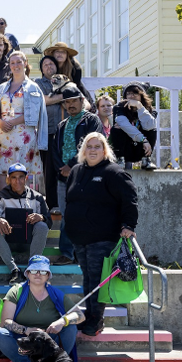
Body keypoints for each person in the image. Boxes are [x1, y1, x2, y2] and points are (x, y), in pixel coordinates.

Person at [62, 131, 138, 337]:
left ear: (105, 150)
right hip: (80, 237)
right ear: (83, 150)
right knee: (87, 279)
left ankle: (96, 320)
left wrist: (129, 225)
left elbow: (130, 199)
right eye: (89, 146)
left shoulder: (113, 172)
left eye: (97, 146)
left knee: (97, 280)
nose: (93, 150)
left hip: (103, 237)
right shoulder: (76, 171)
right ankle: (89, 316)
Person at [0, 254, 84, 362]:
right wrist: (26, 330)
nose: (38, 274)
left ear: (48, 275)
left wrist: (63, 321)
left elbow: (80, 315)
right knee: (0, 334)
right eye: (34, 270)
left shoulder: (55, 293)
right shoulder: (16, 291)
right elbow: (5, 322)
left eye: (42, 271)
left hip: (49, 341)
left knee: (70, 327)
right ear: (28, 273)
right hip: (25, 341)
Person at [52, 85, 105, 263]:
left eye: (74, 100)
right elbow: (55, 151)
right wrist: (62, 169)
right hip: (63, 178)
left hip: (85, 176)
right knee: (67, 216)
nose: (70, 105)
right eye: (67, 102)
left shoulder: (92, 121)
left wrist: (71, 166)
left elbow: (92, 147)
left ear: (82, 101)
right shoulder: (61, 125)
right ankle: (67, 253)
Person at [0, 50, 48, 192]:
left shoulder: (33, 87)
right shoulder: (1, 88)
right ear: (9, 65)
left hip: (25, 138)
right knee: (2, 172)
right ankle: (4, 207)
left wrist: (14, 122)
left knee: (25, 175)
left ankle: (27, 209)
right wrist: (0, 122)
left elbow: (37, 114)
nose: (16, 65)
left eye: (19, 62)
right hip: (4, 138)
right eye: (12, 63)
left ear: (25, 63)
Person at [0, 162, 51, 280]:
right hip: (7, 244)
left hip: (30, 244)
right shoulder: (0, 196)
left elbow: (49, 221)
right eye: (14, 177)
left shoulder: (37, 197)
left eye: (21, 177)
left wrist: (41, 217)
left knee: (42, 226)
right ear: (8, 179)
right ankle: (14, 269)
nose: (18, 181)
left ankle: (32, 266)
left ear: (26, 178)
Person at [38, 55, 68, 209]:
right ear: (42, 69)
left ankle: (66, 204)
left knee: (65, 168)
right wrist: (63, 96)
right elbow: (43, 100)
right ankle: (52, 206)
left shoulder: (65, 80)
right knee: (49, 171)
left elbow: (77, 99)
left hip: (66, 132)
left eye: (51, 64)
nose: (49, 66)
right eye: (45, 65)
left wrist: (61, 95)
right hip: (48, 132)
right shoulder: (38, 83)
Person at [112, 84, 157, 170]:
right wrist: (143, 139)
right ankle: (120, 160)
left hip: (141, 149)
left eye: (135, 93)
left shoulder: (151, 110)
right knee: (117, 128)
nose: (131, 96)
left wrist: (139, 106)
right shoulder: (119, 108)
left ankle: (146, 159)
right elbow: (123, 124)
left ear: (141, 95)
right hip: (126, 147)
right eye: (128, 93)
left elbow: (149, 125)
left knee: (152, 129)